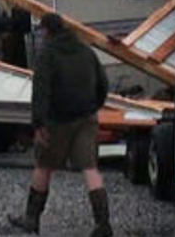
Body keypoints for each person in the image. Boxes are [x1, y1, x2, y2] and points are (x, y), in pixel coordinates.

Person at [8, 12, 111, 236]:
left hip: (58, 121)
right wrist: (95, 106)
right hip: (87, 118)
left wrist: (38, 123)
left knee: (44, 166)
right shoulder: (86, 50)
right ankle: (103, 224)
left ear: (47, 30)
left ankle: (31, 219)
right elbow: (103, 83)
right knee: (90, 169)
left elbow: (41, 91)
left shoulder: (48, 54)